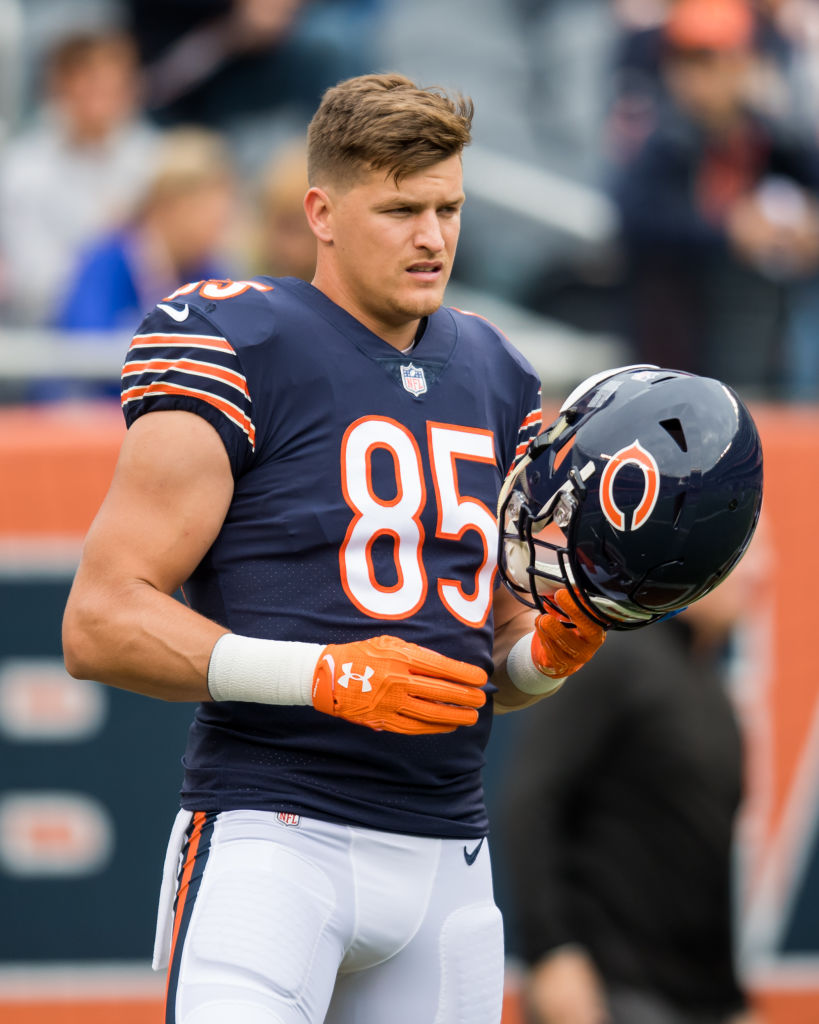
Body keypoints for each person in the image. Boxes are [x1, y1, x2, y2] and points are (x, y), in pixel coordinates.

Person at [61, 73, 605, 1024]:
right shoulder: (240, 339)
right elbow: (100, 622)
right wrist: (325, 677)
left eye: (448, 208)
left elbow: (491, 667)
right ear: (320, 210)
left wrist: (545, 659)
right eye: (400, 209)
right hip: (276, 837)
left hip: (446, 853)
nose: (432, 236)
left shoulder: (496, 371)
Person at [497, 558, 766, 1024]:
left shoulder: (711, 692)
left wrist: (732, 1001)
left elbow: (706, 863)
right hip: (611, 995)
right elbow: (531, 801)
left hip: (701, 1001)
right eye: (743, 557)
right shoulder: (612, 655)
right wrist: (550, 951)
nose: (761, 572)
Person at [610, 0, 819, 398]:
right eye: (686, 63)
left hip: (763, 342)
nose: (699, 79)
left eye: (713, 61)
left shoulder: (773, 141)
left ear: (747, 64)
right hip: (676, 353)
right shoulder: (660, 143)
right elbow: (634, 220)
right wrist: (728, 231)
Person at [0, 28, 159, 326]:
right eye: (89, 81)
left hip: (146, 332)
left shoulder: (156, 159)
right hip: (49, 337)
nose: (102, 95)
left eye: (112, 82)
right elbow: (32, 281)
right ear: (60, 85)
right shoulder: (23, 168)